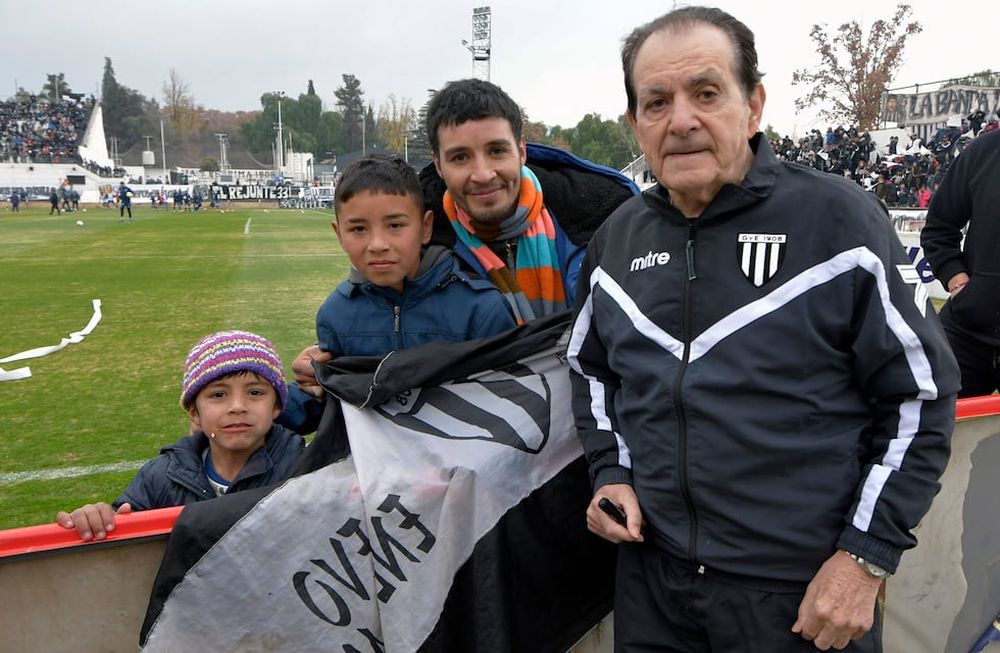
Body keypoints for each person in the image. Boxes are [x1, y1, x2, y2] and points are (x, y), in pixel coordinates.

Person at [567, 7, 960, 652]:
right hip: (654, 587)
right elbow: (589, 371)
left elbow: (920, 399)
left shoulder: (840, 224)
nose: (682, 120)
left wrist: (864, 558)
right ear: (637, 123)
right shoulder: (617, 238)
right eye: (656, 101)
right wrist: (611, 471)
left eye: (706, 92)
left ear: (753, 106)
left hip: (799, 596)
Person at [290, 79, 638, 404]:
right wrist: (333, 365)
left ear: (521, 151)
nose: (483, 173)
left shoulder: (605, 217)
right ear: (438, 165)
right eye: (460, 157)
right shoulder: (416, 235)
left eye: (497, 151)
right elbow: (387, 316)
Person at [276, 154, 517, 433]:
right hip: (377, 474)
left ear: (425, 227)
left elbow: (513, 404)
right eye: (358, 229)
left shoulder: (480, 309)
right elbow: (335, 410)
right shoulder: (335, 314)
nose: (378, 244)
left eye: (395, 226)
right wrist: (298, 391)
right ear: (339, 234)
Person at [56, 330, 305, 541]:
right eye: (218, 395)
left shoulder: (306, 469)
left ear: (276, 407)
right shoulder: (160, 477)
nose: (237, 406)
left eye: (255, 393)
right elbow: (121, 528)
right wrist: (96, 517)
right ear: (194, 412)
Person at [921, 127, 1000, 397]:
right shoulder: (984, 151)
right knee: (926, 426)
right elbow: (939, 227)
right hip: (968, 330)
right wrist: (956, 280)